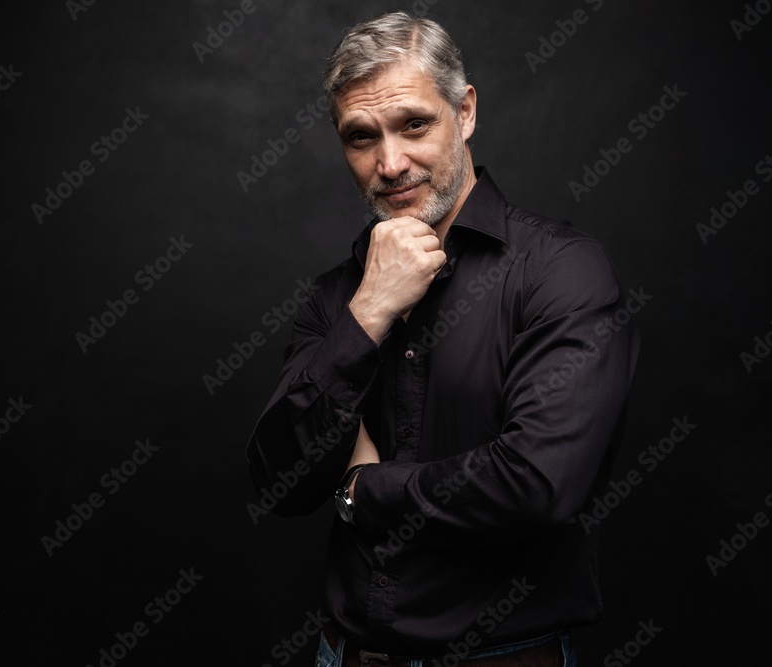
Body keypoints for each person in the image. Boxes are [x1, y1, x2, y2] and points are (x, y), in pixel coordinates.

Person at [246, 11, 640, 667]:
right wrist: (369, 311)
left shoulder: (561, 268)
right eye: (361, 137)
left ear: (466, 112)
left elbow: (539, 482)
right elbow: (278, 480)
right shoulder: (337, 295)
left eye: (414, 124)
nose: (390, 162)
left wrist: (361, 490)